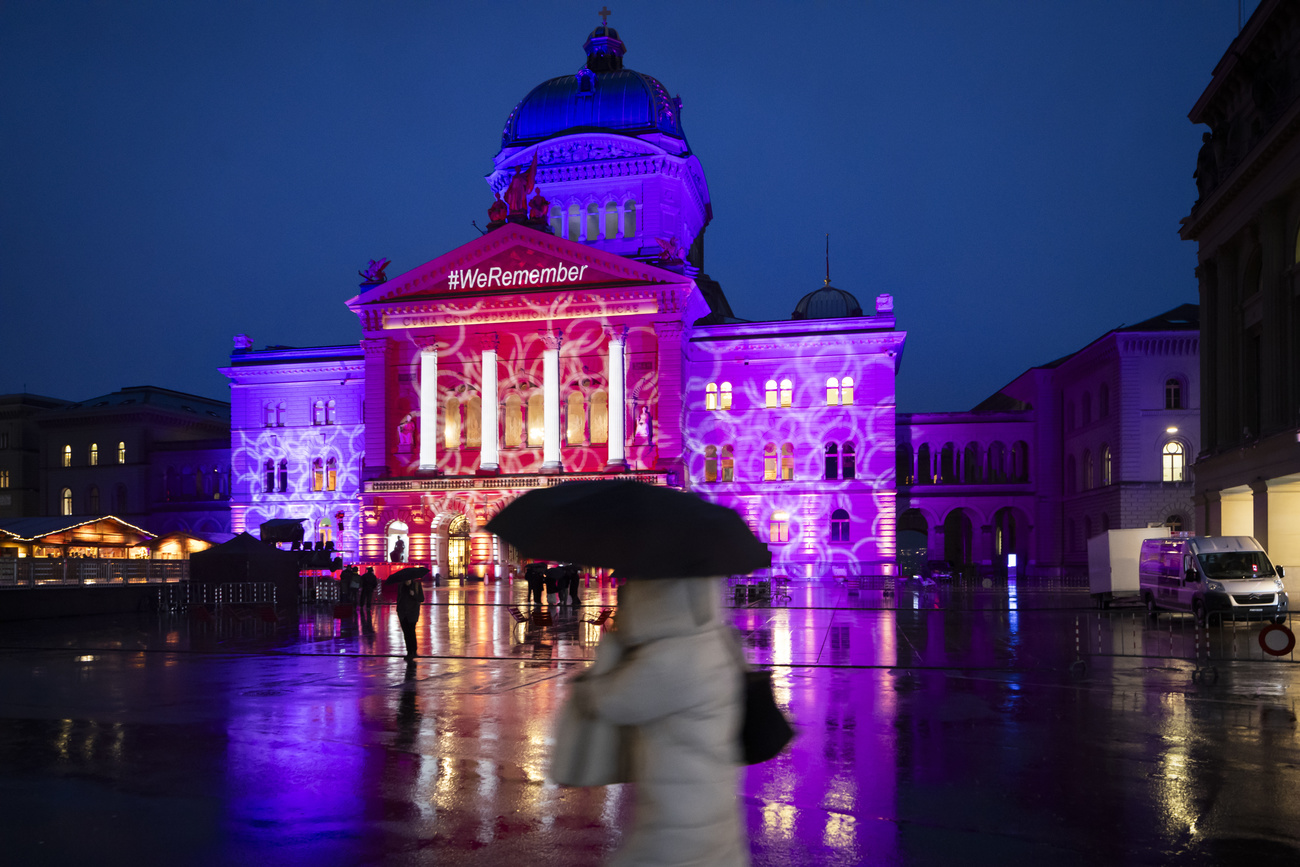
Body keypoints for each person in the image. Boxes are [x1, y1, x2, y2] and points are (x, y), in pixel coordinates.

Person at [569, 577, 747, 866]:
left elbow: (609, 702)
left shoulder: (669, 657)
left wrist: (611, 651)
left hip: (675, 822)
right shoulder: (715, 640)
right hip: (714, 805)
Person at [395, 571, 424, 660]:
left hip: (412, 613)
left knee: (411, 632)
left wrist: (414, 594)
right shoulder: (401, 587)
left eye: (408, 580)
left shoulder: (416, 586)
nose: (407, 581)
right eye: (405, 580)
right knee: (406, 634)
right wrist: (399, 610)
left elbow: (421, 598)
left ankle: (413, 651)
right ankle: (409, 652)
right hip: (403, 614)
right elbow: (399, 599)